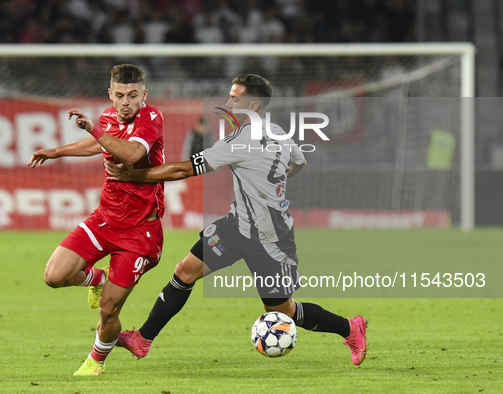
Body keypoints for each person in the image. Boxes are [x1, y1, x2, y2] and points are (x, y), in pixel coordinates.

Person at [106, 74, 368, 366]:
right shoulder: (280, 132)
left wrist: (133, 176)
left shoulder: (239, 141)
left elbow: (183, 170)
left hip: (270, 240)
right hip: (236, 226)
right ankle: (143, 339)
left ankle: (350, 328)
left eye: (235, 98)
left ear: (253, 105)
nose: (228, 103)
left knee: (285, 312)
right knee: (185, 271)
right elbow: (299, 161)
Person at [26, 64, 165, 376]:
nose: (126, 101)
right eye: (119, 95)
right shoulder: (106, 117)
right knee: (54, 276)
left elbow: (130, 153)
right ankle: (98, 278)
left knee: (109, 309)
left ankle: (96, 361)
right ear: (110, 94)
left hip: (140, 232)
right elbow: (98, 143)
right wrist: (57, 151)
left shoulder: (151, 119)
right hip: (105, 219)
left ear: (144, 94)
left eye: (132, 95)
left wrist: (94, 129)